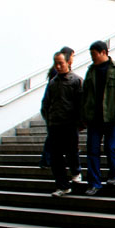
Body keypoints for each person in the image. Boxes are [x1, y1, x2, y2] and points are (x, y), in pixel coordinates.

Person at [81, 40, 115, 196]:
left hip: (113, 117)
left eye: (94, 54)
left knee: (111, 147)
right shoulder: (90, 71)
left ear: (103, 52)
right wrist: (84, 116)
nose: (92, 57)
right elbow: (85, 95)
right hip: (94, 119)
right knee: (92, 151)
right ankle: (94, 183)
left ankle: (114, 175)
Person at [41, 49, 84, 196]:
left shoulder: (76, 81)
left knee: (72, 152)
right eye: (55, 64)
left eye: (60, 63)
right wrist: (49, 118)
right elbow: (45, 104)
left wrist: (80, 122)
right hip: (54, 125)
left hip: (70, 124)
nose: (58, 67)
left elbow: (81, 103)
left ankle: (76, 171)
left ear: (68, 62)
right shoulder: (53, 83)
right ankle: (62, 185)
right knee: (55, 157)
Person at [38, 46, 74, 168]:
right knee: (53, 138)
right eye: (73, 56)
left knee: (53, 138)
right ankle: (46, 160)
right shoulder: (57, 72)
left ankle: (47, 160)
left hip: (54, 111)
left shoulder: (56, 71)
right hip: (55, 111)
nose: (73, 59)